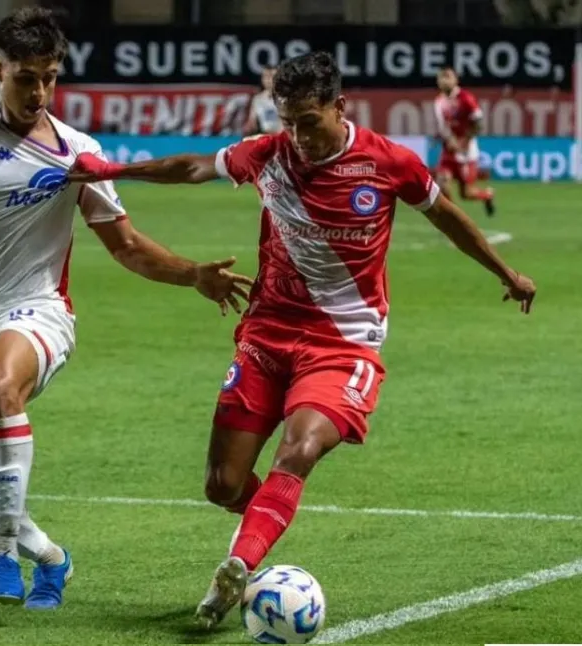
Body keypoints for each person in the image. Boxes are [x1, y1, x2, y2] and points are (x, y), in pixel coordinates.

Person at [67, 50, 536, 629]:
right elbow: (192, 168)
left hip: (343, 343)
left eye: (307, 122)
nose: (296, 136)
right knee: (222, 484)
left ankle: (237, 565)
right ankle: (262, 526)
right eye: (286, 121)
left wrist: (505, 272)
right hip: (266, 335)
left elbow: (448, 218)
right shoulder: (268, 155)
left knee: (301, 446)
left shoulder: (390, 163)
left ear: (339, 107)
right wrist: (111, 173)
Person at [0, 7, 252, 611]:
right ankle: (51, 558)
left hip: (40, 310)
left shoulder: (77, 153)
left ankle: (1, 554)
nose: (38, 91)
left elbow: (127, 245)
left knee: (0, 385)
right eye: (24, 77)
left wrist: (192, 274)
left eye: (49, 77)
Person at [434, 67, 495, 216]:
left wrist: (464, 141)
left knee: (466, 193)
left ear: (456, 80)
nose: (444, 80)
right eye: (441, 77)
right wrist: (448, 139)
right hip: (449, 151)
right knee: (441, 183)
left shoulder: (466, 98)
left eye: (447, 76)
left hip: (466, 153)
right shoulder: (439, 102)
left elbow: (479, 123)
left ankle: (487, 196)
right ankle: (452, 218)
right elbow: (443, 126)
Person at [244, 66, 283, 136]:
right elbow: (252, 122)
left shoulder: (283, 98)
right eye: (266, 76)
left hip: (281, 136)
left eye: (271, 76)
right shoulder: (257, 99)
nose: (268, 80)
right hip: (265, 136)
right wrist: (249, 128)